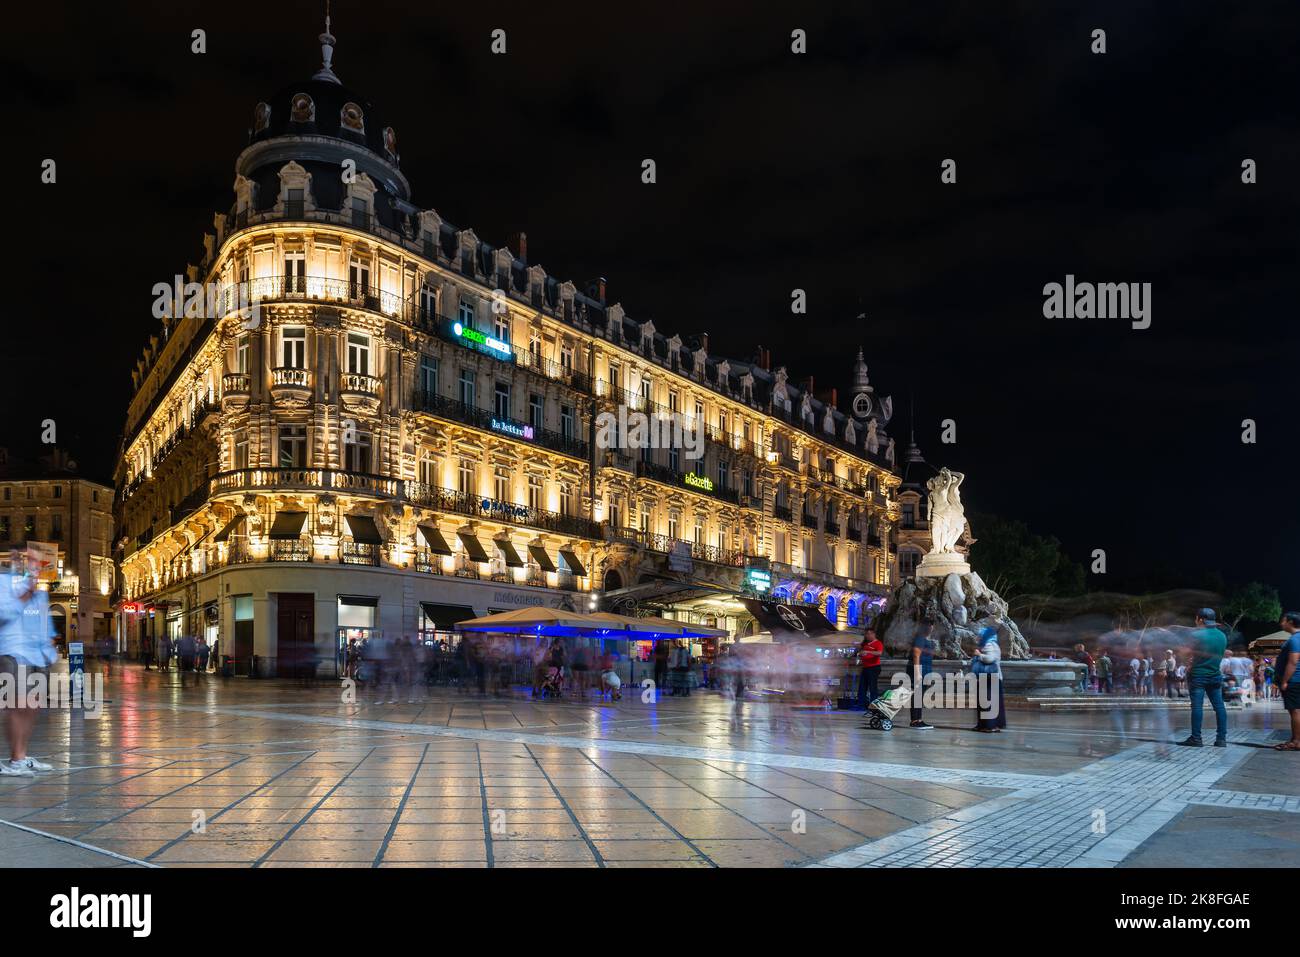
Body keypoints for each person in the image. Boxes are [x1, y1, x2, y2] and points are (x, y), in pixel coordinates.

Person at [0, 557, 59, 777]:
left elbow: (45, 622)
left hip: (37, 654)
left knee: (32, 707)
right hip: (14, 651)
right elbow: (4, 615)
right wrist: (25, 592)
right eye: (30, 564)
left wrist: (49, 646)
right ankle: (16, 759)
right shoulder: (4, 583)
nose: (36, 569)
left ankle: (22, 756)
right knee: (17, 706)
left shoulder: (40, 592)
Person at [1179, 607, 1228, 748]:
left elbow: (1184, 653)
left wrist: (1188, 659)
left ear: (1201, 619)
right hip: (1215, 675)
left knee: (1197, 707)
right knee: (1219, 707)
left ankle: (1196, 738)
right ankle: (1221, 739)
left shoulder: (1196, 635)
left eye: (1196, 619)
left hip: (1198, 675)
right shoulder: (1221, 636)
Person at [971, 628, 1006, 732]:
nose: (979, 637)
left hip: (988, 678)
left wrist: (979, 655)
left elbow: (990, 658)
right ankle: (989, 725)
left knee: (986, 703)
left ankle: (988, 726)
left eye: (980, 635)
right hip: (994, 677)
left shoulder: (988, 644)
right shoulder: (995, 644)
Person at [1274, 612, 1300, 751]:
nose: (1281, 623)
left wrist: (1284, 681)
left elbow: (1293, 661)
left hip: (1294, 680)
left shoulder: (1295, 639)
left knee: (1295, 711)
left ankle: (1296, 741)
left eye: (1283, 621)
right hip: (1296, 680)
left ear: (1290, 622)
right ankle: (1295, 739)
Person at [909, 620, 935, 730]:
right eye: (929, 625)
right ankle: (915, 720)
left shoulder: (924, 639)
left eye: (932, 626)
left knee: (920, 695)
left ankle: (918, 719)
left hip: (925, 670)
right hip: (919, 670)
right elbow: (916, 654)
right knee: (917, 695)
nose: (931, 628)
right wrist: (918, 672)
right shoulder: (920, 638)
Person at [855, 627, 884, 712]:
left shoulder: (878, 643)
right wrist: (860, 653)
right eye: (866, 634)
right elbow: (860, 653)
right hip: (865, 667)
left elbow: (879, 653)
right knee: (862, 687)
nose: (867, 636)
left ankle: (873, 706)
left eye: (868, 634)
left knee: (872, 687)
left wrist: (868, 652)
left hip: (874, 667)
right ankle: (861, 705)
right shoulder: (865, 644)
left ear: (873, 634)